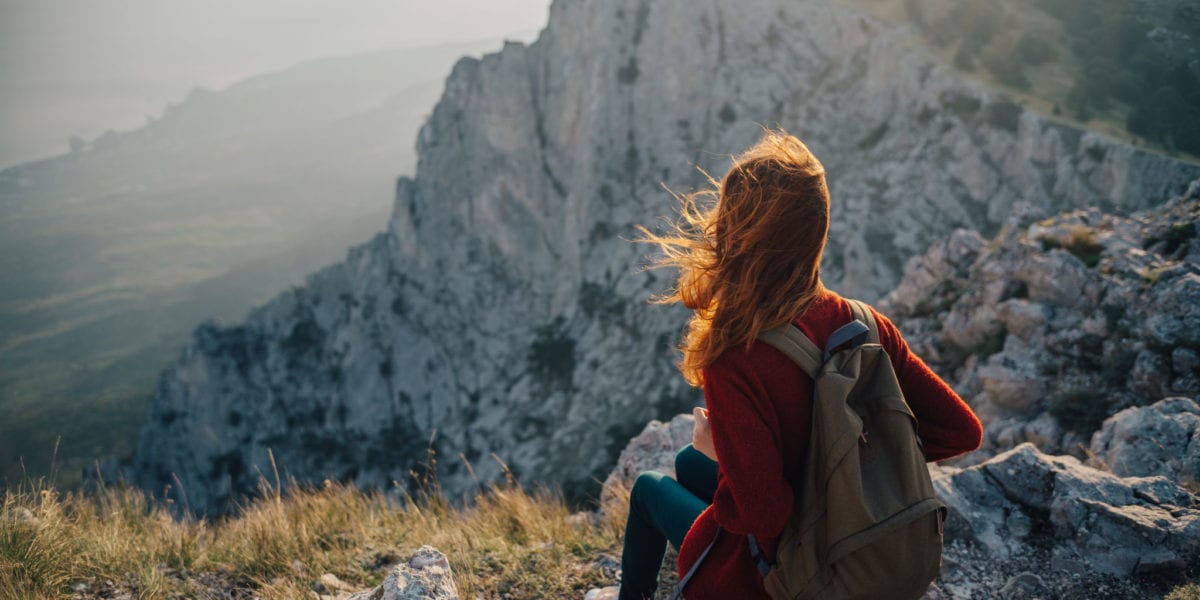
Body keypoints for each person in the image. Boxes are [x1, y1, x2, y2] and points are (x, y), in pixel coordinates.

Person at [595, 129, 984, 600]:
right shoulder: (865, 325)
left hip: (794, 575)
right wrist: (856, 473)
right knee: (685, 461)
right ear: (815, 232)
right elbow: (963, 432)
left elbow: (766, 517)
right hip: (858, 542)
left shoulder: (736, 357)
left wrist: (725, 452)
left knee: (650, 488)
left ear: (736, 237)